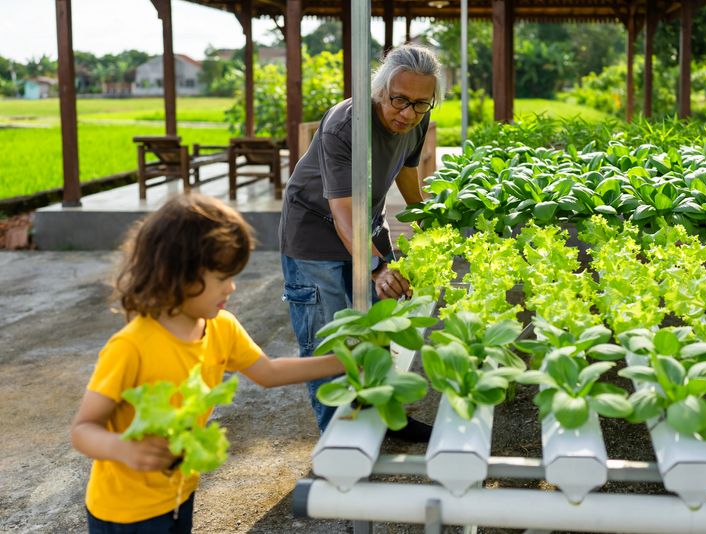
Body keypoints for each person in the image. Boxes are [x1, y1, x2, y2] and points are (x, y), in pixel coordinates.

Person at [70, 194, 343, 533]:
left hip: (180, 494)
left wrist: (341, 362)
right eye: (221, 277)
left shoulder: (221, 326)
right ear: (178, 274)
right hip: (123, 512)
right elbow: (83, 430)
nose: (231, 286)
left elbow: (268, 372)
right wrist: (122, 449)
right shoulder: (130, 347)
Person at [278, 44, 443, 435]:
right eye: (398, 100)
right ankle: (341, 444)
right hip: (315, 236)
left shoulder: (418, 117)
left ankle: (384, 421)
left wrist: (424, 217)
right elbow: (342, 212)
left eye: (420, 104)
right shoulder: (346, 125)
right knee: (331, 343)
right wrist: (376, 267)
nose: (407, 113)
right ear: (379, 90)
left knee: (378, 329)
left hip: (365, 225)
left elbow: (406, 169)